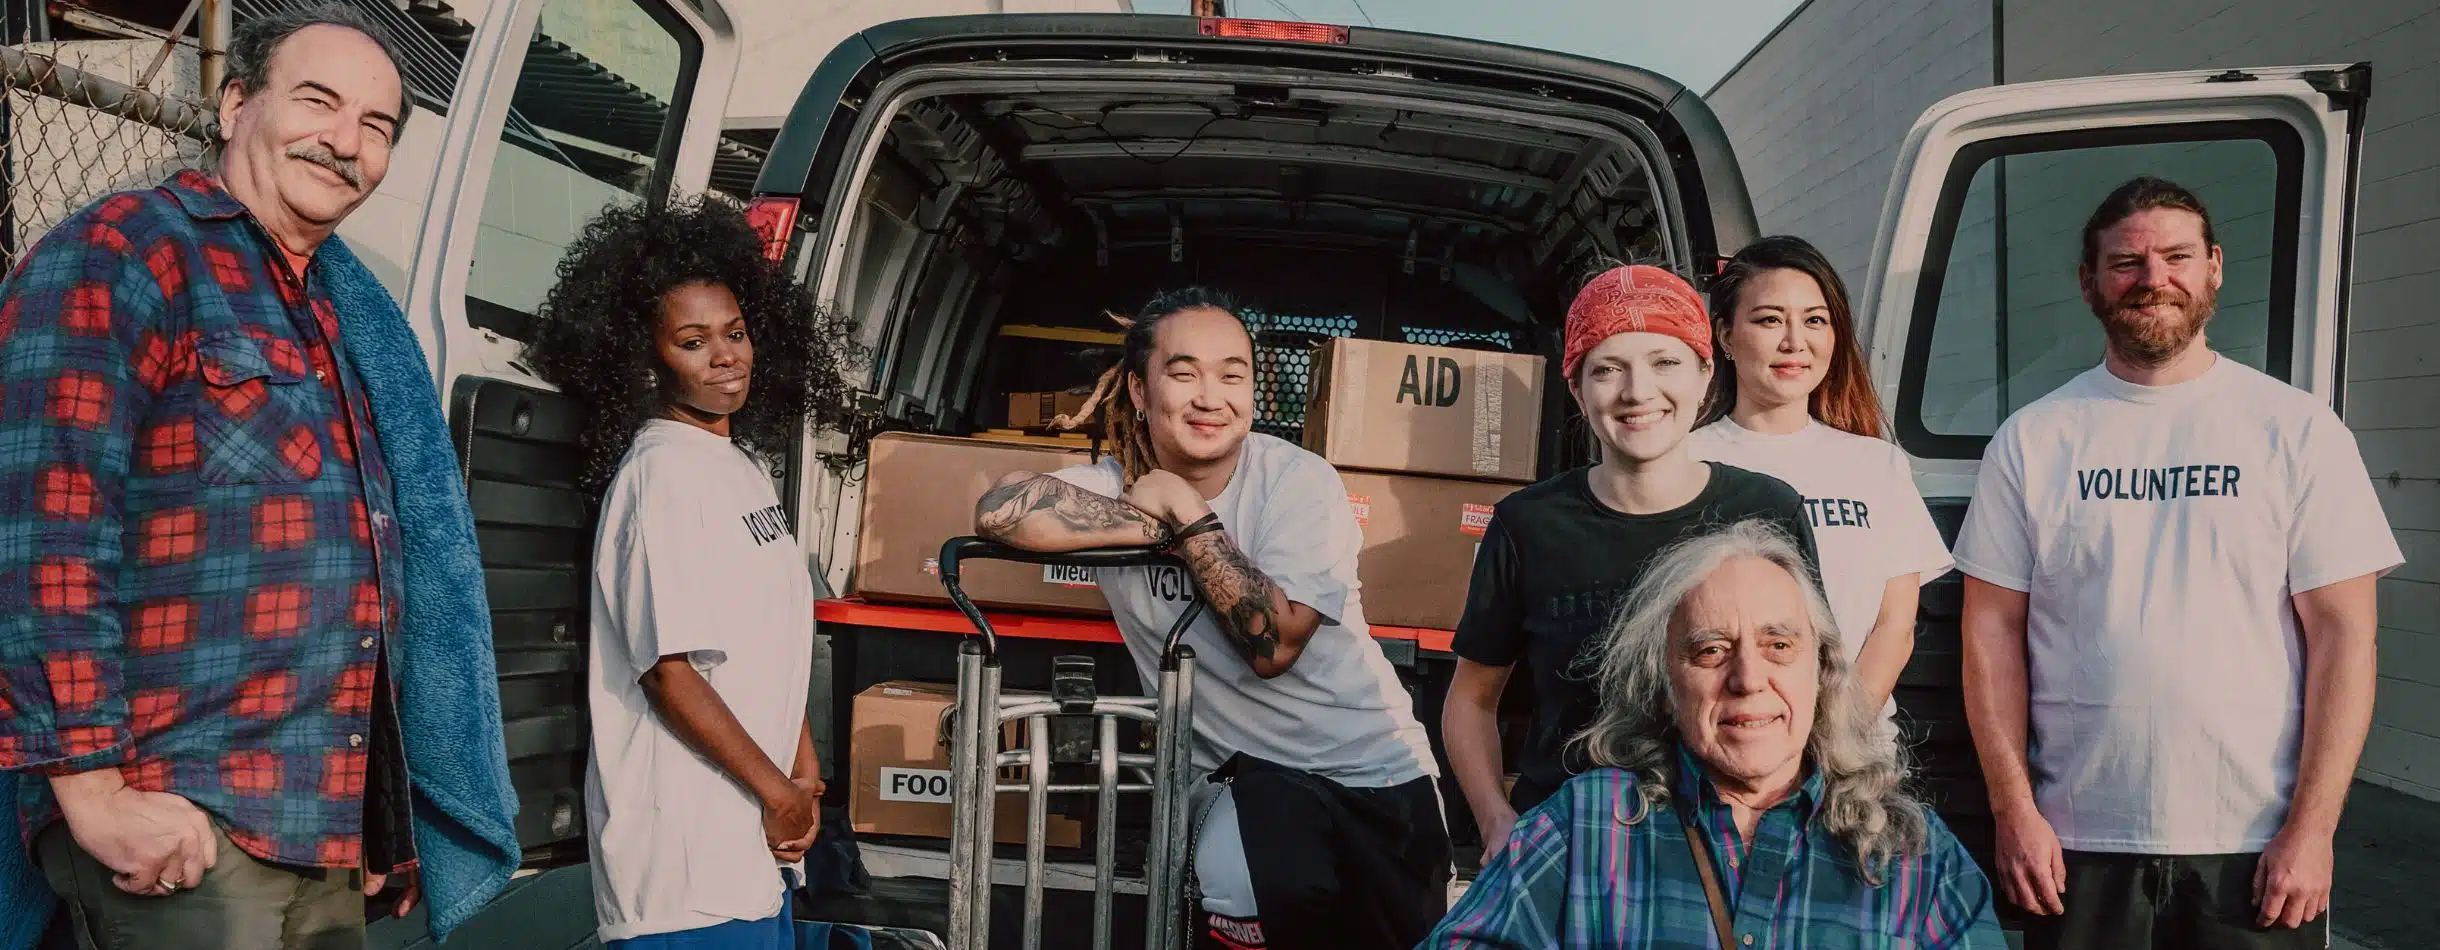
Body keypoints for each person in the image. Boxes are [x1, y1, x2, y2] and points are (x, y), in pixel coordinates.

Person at [0, 5, 522, 948]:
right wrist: (95, 791)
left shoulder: (334, 313)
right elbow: (40, 528)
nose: (345, 141)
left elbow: (356, 575)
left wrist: (372, 814)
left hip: (314, 825)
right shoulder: (125, 250)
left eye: (377, 126)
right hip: (180, 814)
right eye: (318, 101)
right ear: (236, 102)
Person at [1953, 176, 2403, 950]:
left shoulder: (2296, 431)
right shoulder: (2032, 440)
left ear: (2214, 268)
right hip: (2075, 841)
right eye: (2126, 262)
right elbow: (1990, 636)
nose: (2153, 279)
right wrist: (2013, 812)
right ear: (2088, 282)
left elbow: (2344, 640)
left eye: (2176, 256)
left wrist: (2314, 829)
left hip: (2256, 842)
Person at [973, 288, 1447, 950]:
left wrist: (1187, 513)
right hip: (1248, 789)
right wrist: (1153, 514)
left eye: (1233, 374)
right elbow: (1002, 508)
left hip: (1377, 779)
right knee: (1239, 877)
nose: (1210, 396)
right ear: (1140, 391)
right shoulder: (1118, 486)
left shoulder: (1298, 482)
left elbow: (1273, 644)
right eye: (1184, 372)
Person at [522, 196, 854, 948]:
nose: (726, 356)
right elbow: (668, 672)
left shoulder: (738, 467)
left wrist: (800, 768)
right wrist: (778, 793)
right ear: (645, 358)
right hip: (681, 872)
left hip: (749, 855)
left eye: (735, 333)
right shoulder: (659, 478)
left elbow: (762, 643)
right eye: (693, 342)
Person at [1424, 519, 2006, 949]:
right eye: (1710, 650)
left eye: (1779, 646)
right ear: (1665, 685)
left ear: (1822, 671)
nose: (1748, 679)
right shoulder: (1588, 824)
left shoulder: (1912, 854)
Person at [1443, 264, 1817, 863]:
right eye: (1607, 369)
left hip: (1736, 845)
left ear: (1704, 373)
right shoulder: (1528, 524)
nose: (1637, 391)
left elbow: (1810, 677)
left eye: (1664, 362)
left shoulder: (1767, 510)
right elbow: (1472, 698)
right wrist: (1495, 819)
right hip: (1574, 845)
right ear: (1576, 388)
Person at [1687, 235, 1951, 722]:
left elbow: (1895, 626)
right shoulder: (1686, 460)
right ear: (1725, 336)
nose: (1795, 341)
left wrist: (1839, 733)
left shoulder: (1877, 465)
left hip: (1853, 756)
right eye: (1769, 320)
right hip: (1726, 746)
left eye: (1815, 320)